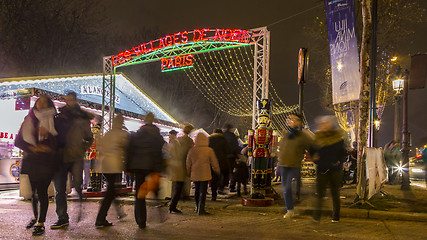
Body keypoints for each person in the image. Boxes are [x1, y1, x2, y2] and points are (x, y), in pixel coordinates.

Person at [15, 95, 59, 236]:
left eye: (45, 102)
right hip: (32, 161)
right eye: (39, 101)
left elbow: (58, 143)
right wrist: (32, 147)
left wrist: (49, 137)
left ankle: (41, 222)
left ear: (49, 105)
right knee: (33, 193)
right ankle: (36, 217)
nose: (41, 104)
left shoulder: (53, 120)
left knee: (42, 191)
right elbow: (18, 141)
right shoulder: (28, 120)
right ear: (36, 104)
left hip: (47, 162)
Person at [51, 91, 94, 229]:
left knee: (77, 186)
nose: (69, 101)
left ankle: (79, 210)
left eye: (72, 99)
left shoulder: (82, 117)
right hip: (60, 157)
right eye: (67, 99)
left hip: (75, 156)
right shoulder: (58, 115)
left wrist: (81, 149)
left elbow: (89, 138)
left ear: (75, 100)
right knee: (59, 189)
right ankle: (62, 217)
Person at [126, 112, 165, 229]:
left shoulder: (137, 134)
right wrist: (160, 168)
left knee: (139, 194)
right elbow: (159, 153)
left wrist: (127, 168)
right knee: (154, 188)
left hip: (138, 166)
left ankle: (141, 220)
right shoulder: (157, 135)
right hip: (152, 166)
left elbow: (129, 150)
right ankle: (159, 211)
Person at [308, 115, 347, 223]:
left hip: (335, 169)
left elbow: (343, 152)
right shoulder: (317, 137)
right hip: (322, 169)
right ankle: (317, 216)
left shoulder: (338, 138)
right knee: (320, 193)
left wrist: (339, 162)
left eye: (325, 124)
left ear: (330, 125)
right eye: (322, 124)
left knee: (335, 193)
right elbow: (311, 150)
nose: (323, 126)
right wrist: (316, 160)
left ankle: (336, 216)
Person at [95, 114, 128, 228]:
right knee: (110, 192)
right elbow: (125, 149)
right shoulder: (121, 134)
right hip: (113, 165)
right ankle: (100, 218)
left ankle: (118, 213)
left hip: (105, 164)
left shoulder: (108, 133)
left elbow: (100, 147)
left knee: (111, 190)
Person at [278, 113, 314, 219]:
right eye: (289, 118)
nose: (289, 120)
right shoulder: (286, 134)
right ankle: (291, 209)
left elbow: (311, 147)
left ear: (299, 122)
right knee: (286, 188)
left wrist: (315, 156)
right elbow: (282, 149)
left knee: (289, 187)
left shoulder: (302, 136)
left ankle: (293, 206)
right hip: (284, 165)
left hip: (294, 165)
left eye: (293, 119)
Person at [186, 133, 220, 215]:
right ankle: (201, 208)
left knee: (197, 190)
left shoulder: (192, 150)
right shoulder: (209, 150)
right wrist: (217, 170)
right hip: (205, 173)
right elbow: (214, 162)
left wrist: (188, 172)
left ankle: (196, 206)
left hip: (195, 173)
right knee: (203, 191)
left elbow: (188, 163)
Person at [167, 123, 194, 213]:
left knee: (176, 186)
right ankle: (172, 206)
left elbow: (170, 151)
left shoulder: (177, 140)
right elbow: (190, 154)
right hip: (182, 165)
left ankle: (172, 205)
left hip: (174, 164)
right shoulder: (189, 141)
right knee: (179, 186)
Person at [208, 128, 230, 199]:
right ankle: (220, 188)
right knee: (223, 174)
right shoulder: (223, 140)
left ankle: (213, 194)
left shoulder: (209, 139)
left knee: (213, 177)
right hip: (221, 160)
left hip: (211, 160)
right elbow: (227, 150)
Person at [222, 124, 241, 192]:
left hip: (224, 157)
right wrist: (237, 155)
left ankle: (222, 187)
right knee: (232, 172)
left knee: (224, 172)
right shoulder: (233, 136)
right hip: (232, 156)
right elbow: (236, 146)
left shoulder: (222, 135)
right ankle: (232, 187)